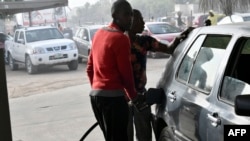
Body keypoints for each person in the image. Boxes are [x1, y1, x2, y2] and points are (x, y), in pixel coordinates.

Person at [126, 9, 194, 141]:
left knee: (144, 135)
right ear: (130, 21)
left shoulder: (144, 41)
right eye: (140, 19)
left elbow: (168, 49)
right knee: (124, 136)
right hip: (123, 98)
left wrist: (180, 37)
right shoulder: (119, 42)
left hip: (141, 96)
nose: (143, 22)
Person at [86, 1, 144, 141]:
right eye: (126, 14)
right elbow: (126, 74)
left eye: (130, 14)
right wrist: (134, 97)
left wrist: (98, 90)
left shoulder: (99, 34)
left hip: (96, 98)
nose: (130, 18)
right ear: (115, 15)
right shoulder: (121, 39)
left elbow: (89, 69)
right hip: (113, 101)